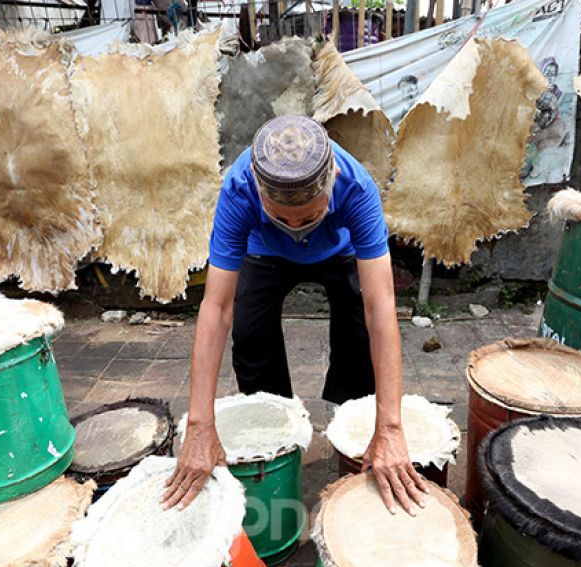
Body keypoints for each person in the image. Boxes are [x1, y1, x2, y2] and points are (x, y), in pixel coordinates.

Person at [162, 115, 428, 515]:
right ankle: (274, 430)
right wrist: (199, 426)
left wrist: (391, 426)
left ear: (332, 179)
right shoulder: (238, 189)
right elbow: (216, 309)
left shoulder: (356, 187)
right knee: (251, 335)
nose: (294, 227)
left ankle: (358, 433)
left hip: (338, 253)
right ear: (257, 185)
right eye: (282, 217)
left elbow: (381, 306)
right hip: (264, 253)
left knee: (358, 333)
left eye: (307, 217)